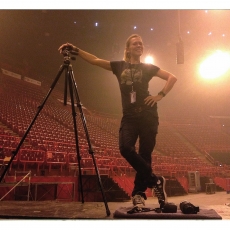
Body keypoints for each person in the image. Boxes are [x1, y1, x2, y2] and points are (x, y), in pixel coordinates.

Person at [58, 34, 177, 209]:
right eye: (135, 43)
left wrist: (160, 95)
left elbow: (172, 77)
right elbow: (95, 60)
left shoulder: (148, 67)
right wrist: (76, 49)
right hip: (129, 116)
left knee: (145, 155)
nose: (139, 45)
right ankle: (155, 181)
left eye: (141, 44)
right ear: (127, 49)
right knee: (125, 148)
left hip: (148, 115)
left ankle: (138, 194)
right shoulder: (119, 66)